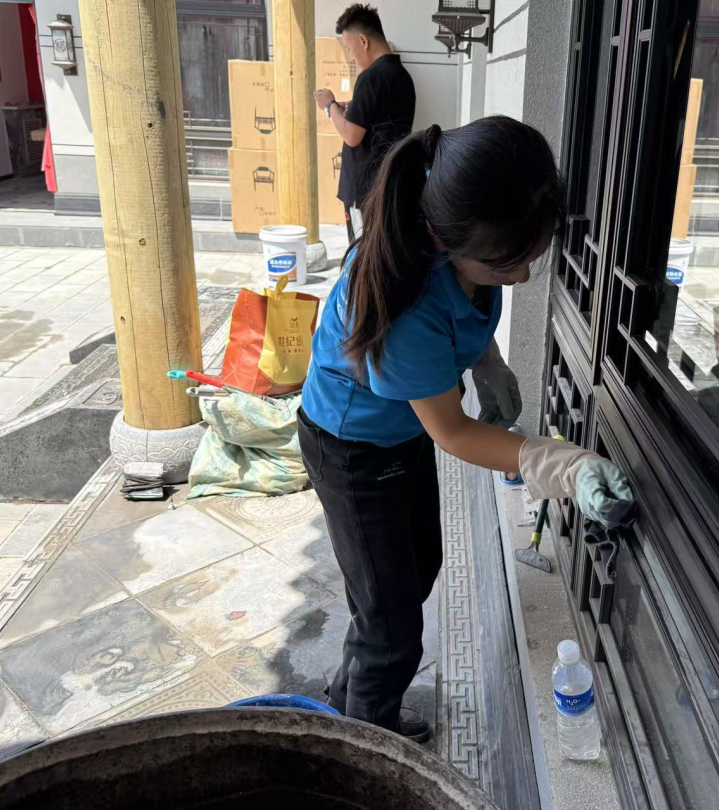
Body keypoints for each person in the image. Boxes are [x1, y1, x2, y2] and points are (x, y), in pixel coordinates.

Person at [298, 116, 635, 742]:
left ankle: (350, 693)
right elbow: (452, 432)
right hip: (351, 450)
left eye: (530, 258)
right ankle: (362, 745)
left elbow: (466, 325)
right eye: (508, 264)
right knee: (392, 627)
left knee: (417, 569)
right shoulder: (405, 300)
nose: (523, 277)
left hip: (400, 433)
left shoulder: (470, 255)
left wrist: (488, 361)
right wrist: (563, 463)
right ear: (443, 240)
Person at [315, 4, 416, 242]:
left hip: (363, 190)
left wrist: (330, 105)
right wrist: (353, 109)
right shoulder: (403, 77)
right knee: (381, 248)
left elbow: (352, 136)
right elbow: (381, 119)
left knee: (362, 252)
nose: (351, 56)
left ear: (363, 41)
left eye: (350, 48)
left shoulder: (370, 77)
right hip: (389, 183)